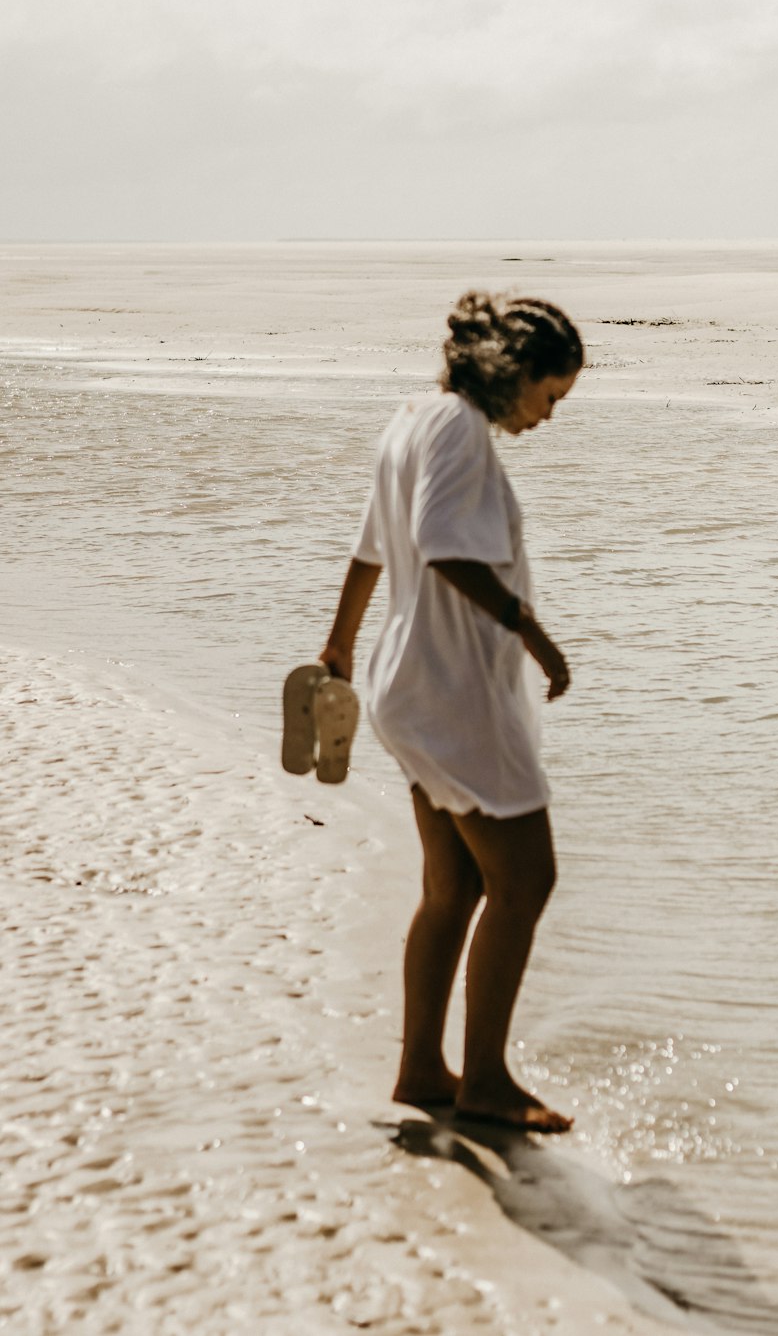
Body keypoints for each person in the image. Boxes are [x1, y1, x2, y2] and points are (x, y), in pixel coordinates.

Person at [319, 291, 584, 1133]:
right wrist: (533, 633)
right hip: (454, 693)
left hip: (404, 685)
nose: (550, 416)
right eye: (553, 395)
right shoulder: (461, 430)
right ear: (518, 373)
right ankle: (488, 1083)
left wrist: (337, 646)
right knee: (526, 878)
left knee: (454, 885)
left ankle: (423, 1068)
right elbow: (440, 545)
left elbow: (370, 549)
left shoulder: (411, 421)